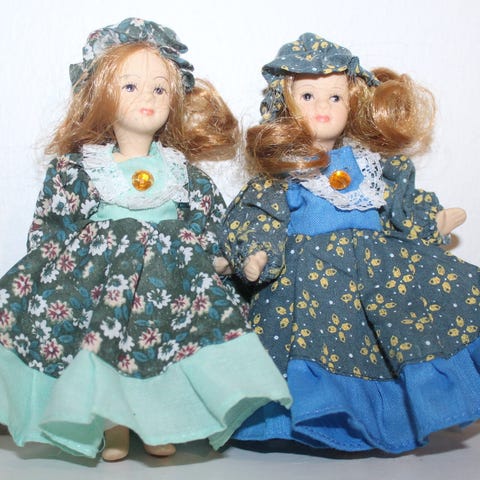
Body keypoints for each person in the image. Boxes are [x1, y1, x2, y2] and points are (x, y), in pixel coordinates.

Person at [0, 18, 291, 461]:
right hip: (106, 287)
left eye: (160, 89)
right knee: (105, 349)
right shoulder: (80, 169)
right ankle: (113, 427)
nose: (148, 98)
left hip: (166, 284)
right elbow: (54, 226)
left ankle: (157, 423)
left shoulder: (182, 173)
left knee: (161, 351)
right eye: (131, 86)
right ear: (101, 94)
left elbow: (208, 220)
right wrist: (51, 269)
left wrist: (220, 259)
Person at [219, 33, 480, 453]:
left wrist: (430, 221)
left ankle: (405, 410)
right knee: (314, 344)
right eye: (308, 96)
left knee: (393, 337)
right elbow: (258, 216)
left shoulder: (372, 166)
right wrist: (256, 253)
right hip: (312, 288)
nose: (322, 107)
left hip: (377, 277)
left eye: (335, 97)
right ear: (286, 106)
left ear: (353, 104)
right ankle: (320, 413)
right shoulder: (285, 175)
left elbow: (396, 209)